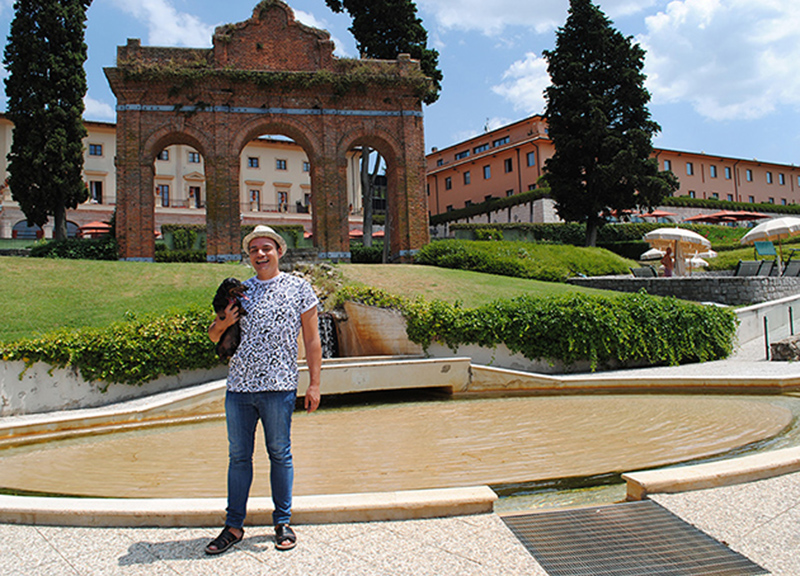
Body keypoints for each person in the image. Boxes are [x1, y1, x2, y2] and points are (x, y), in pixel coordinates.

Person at [205, 225, 322, 555]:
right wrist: (224, 322)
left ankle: (282, 522)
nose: (260, 254)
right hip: (239, 388)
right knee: (238, 458)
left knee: (279, 454)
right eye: (254, 249)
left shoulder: (299, 288)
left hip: (279, 386)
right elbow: (215, 335)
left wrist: (314, 383)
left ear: (279, 252)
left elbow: (312, 341)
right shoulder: (239, 292)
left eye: (266, 248)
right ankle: (233, 527)